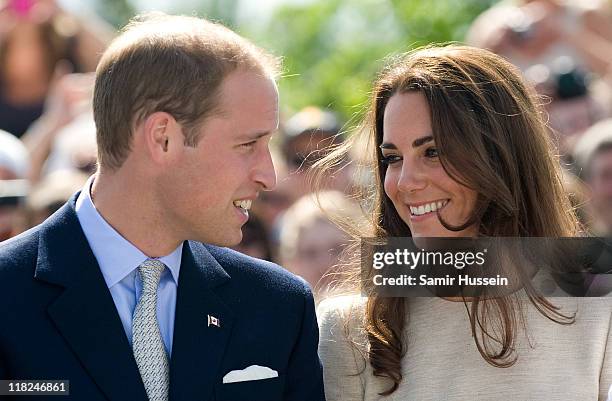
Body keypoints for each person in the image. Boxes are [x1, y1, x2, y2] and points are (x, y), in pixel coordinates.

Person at [0, 12, 325, 401]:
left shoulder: (279, 305)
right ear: (163, 138)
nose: (268, 176)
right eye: (247, 145)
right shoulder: (7, 293)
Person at [315, 45, 612, 400]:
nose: (405, 182)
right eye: (392, 158)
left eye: (433, 152)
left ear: (500, 157)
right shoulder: (347, 327)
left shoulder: (600, 302)